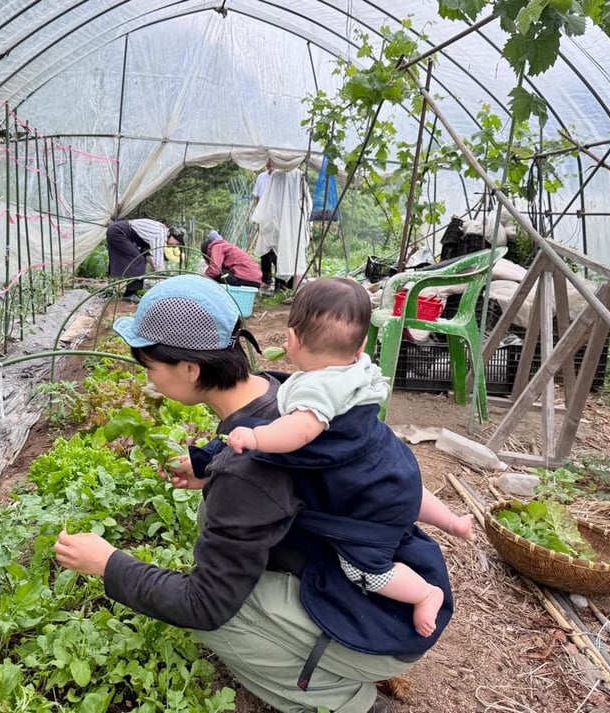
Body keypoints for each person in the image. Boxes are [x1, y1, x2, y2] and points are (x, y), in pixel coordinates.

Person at [54, 274, 454, 713]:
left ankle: (348, 701)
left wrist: (109, 564)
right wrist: (207, 464)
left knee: (215, 621)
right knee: (220, 540)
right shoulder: (284, 393)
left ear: (191, 370)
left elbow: (204, 605)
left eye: (149, 366)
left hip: (383, 619)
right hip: (395, 581)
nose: (147, 378)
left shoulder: (248, 468)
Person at [224, 277, 473, 637]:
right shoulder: (359, 368)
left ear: (292, 340)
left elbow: (300, 432)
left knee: (366, 570)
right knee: (409, 495)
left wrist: (256, 436)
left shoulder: (316, 390)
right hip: (393, 465)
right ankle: (451, 521)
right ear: (359, 348)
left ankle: (424, 593)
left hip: (368, 495)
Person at [105, 218, 171, 303]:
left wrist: (154, 267)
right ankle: (129, 294)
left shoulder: (156, 233)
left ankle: (126, 291)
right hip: (118, 232)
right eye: (177, 242)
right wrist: (161, 275)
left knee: (139, 258)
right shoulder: (161, 235)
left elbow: (146, 253)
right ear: (172, 236)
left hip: (117, 231)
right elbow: (158, 259)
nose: (176, 244)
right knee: (138, 260)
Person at [251, 159, 277, 289]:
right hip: (264, 217)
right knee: (263, 249)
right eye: (267, 162)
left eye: (272, 162)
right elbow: (257, 198)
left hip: (277, 218)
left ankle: (282, 281)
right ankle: (266, 279)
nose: (269, 164)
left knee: (276, 249)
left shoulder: (281, 176)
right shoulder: (261, 177)